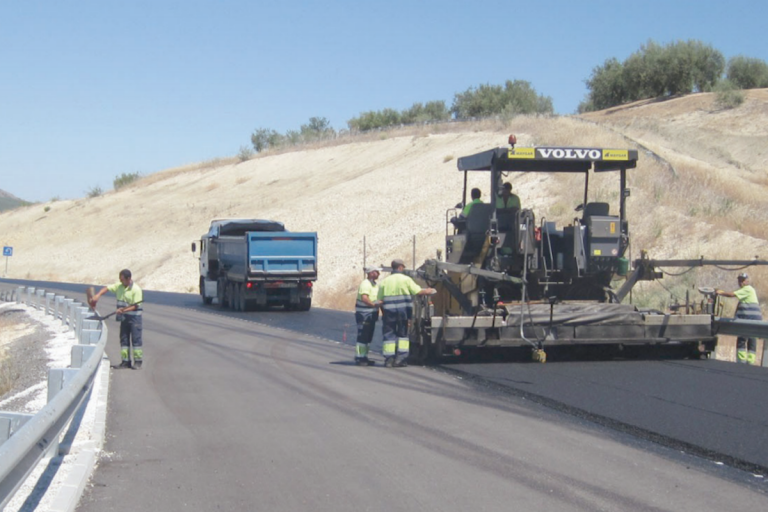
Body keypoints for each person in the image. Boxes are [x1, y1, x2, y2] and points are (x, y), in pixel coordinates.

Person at [377, 259, 436, 368]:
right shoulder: (406, 280)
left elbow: (380, 300)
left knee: (389, 334)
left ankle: (389, 359)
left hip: (389, 312)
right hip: (403, 312)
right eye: (403, 267)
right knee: (402, 334)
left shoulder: (385, 281)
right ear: (400, 267)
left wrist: (383, 313)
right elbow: (418, 291)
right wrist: (429, 291)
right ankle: (400, 359)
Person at [90, 269, 144, 369]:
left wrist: (123, 310)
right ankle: (125, 361)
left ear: (128, 279)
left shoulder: (136, 290)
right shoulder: (119, 286)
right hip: (124, 318)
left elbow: (135, 306)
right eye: (120, 279)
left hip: (134, 319)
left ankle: (138, 362)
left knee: (136, 340)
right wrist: (98, 295)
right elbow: (107, 288)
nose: (120, 281)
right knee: (124, 340)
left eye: (122, 279)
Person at [716, 273, 762, 365]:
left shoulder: (747, 289)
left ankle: (741, 362)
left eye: (742, 280)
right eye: (739, 280)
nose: (740, 282)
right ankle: (750, 362)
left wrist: (720, 292)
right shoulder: (748, 290)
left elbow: (731, 295)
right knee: (752, 339)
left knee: (742, 338)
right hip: (754, 320)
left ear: (747, 281)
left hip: (748, 319)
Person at [354, 265, 381, 366]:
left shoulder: (374, 284)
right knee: (363, 336)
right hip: (364, 314)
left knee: (368, 337)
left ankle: (364, 356)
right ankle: (360, 357)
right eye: (376, 272)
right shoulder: (365, 284)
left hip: (371, 314)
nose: (378, 274)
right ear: (370, 273)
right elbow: (364, 298)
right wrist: (374, 304)